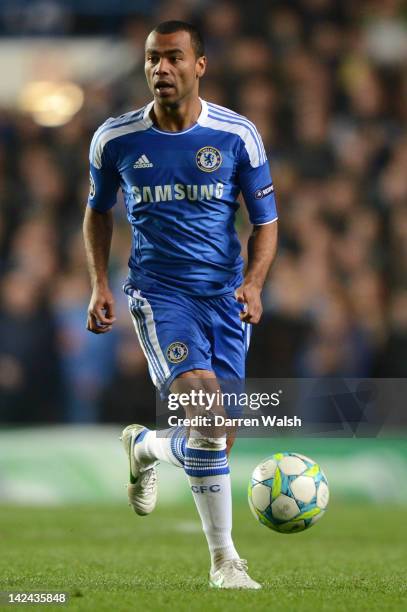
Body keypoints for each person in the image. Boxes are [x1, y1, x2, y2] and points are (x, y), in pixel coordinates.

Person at [83, 20, 278, 590]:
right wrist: (99, 283)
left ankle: (144, 445)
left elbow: (265, 222)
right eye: (151, 59)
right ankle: (225, 562)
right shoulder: (115, 138)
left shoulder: (237, 135)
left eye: (172, 58)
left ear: (200, 66)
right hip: (159, 293)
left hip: (224, 298)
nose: (160, 69)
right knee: (206, 412)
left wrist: (256, 282)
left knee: (215, 437)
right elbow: (97, 211)